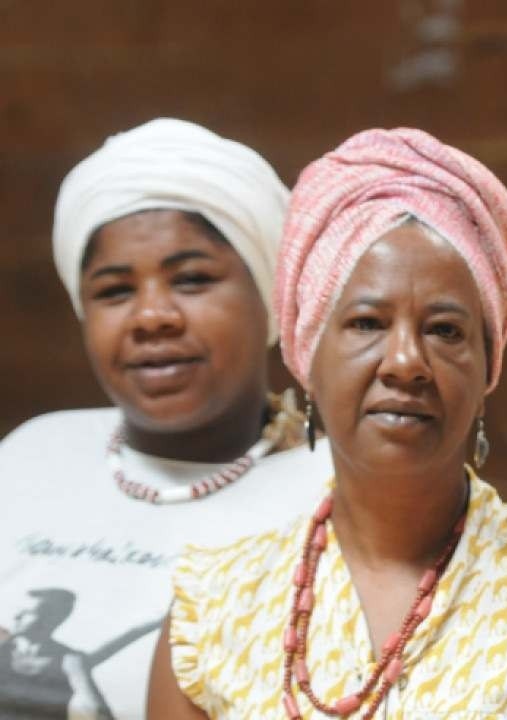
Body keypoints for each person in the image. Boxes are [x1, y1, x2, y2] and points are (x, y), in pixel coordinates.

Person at [146, 128, 507, 719]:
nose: (405, 361)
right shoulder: (214, 605)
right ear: (308, 357)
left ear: (488, 369)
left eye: (445, 330)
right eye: (366, 323)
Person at [0, 118, 332, 719]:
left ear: (271, 299)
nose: (152, 316)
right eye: (114, 290)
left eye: (192, 280)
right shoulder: (34, 454)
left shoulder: (338, 494)